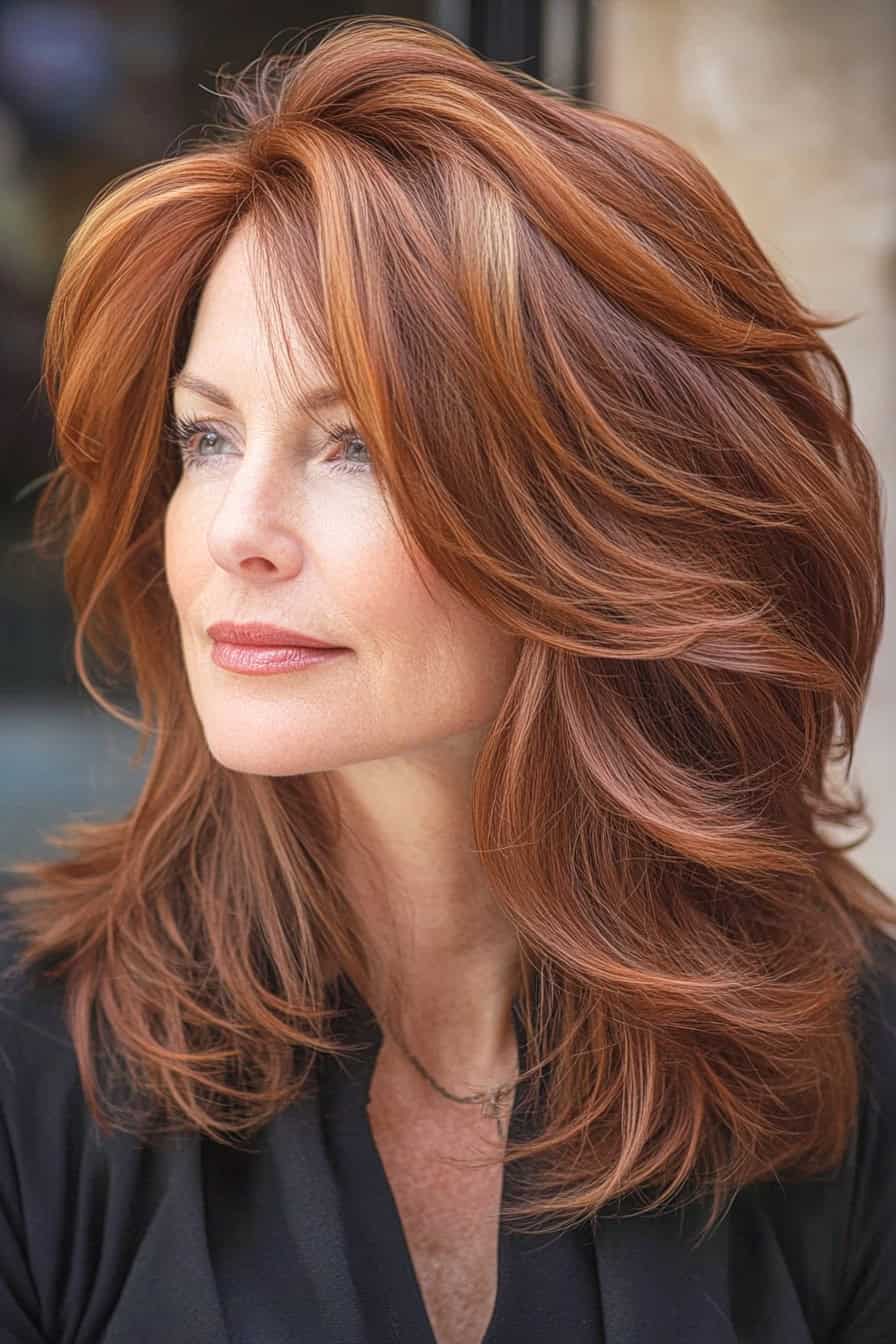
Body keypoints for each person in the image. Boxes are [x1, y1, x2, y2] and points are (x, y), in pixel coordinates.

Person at [1, 15, 894, 1344]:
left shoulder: (849, 1058)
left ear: (596, 513)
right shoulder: (33, 1067)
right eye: (207, 433)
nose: (237, 528)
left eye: (353, 443)